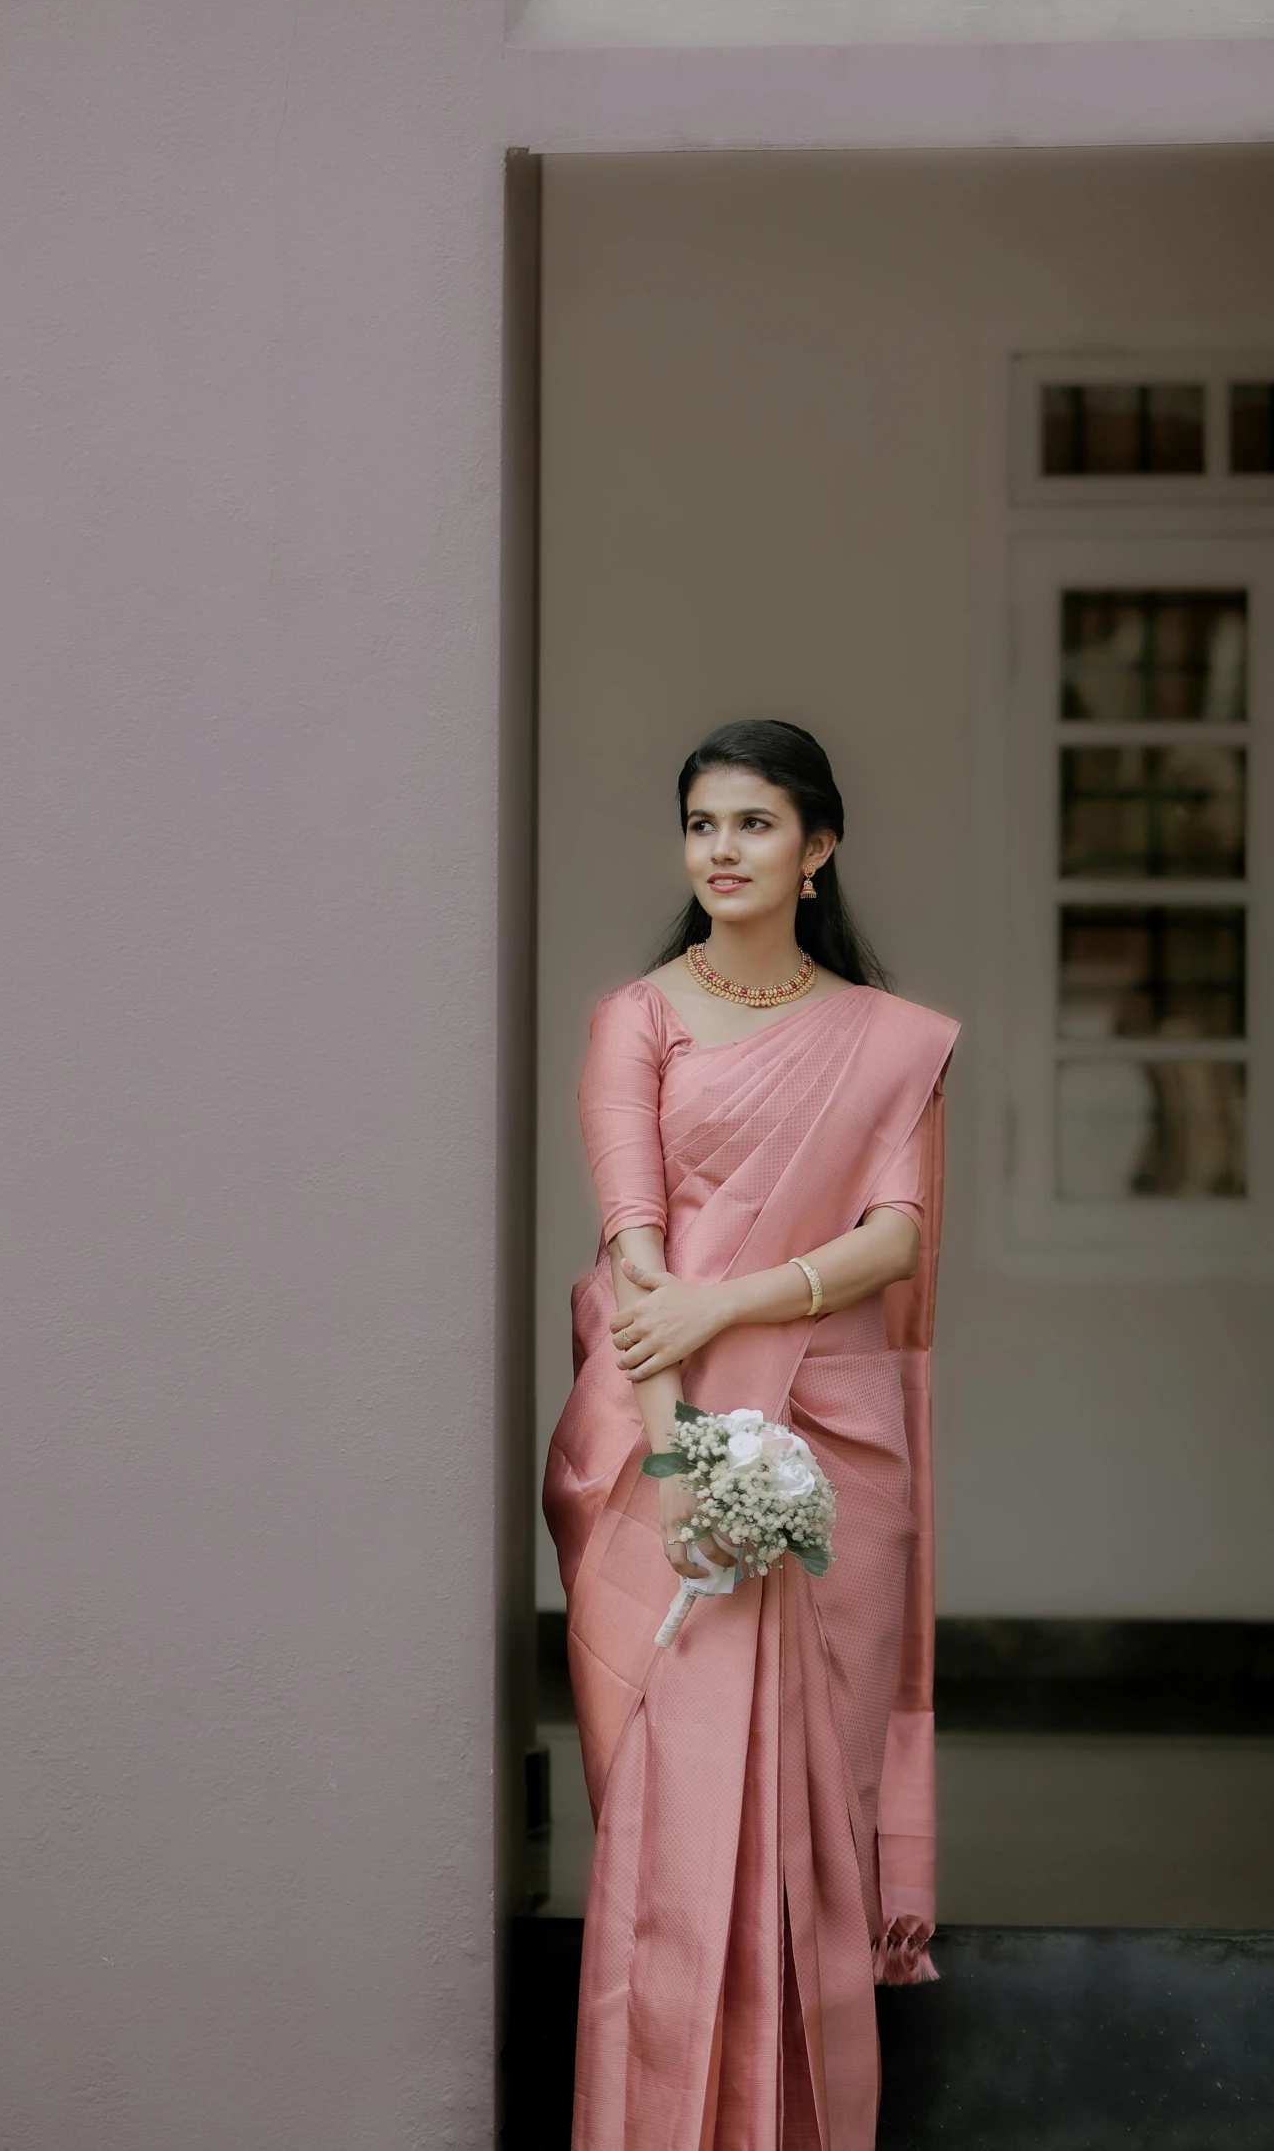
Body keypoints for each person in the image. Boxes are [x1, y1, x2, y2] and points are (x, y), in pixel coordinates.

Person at [543, 718, 959, 2151]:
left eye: (752, 824)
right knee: (671, 1833)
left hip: (830, 1451)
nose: (720, 850)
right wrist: (680, 1469)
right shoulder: (636, 1018)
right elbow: (634, 1255)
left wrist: (740, 1297)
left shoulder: (889, 1042)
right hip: (666, 1458)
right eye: (700, 823)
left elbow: (895, 1237)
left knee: (804, 1831)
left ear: (818, 846)